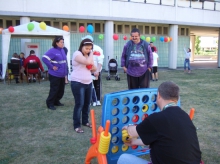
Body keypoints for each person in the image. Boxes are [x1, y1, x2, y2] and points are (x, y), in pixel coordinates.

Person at [117, 81, 202, 164]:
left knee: (123, 158)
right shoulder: (185, 116)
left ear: (159, 96)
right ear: (177, 98)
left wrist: (127, 128)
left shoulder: (157, 119)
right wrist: (134, 142)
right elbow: (162, 139)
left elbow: (132, 132)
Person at [70, 38, 96, 133]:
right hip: (78, 82)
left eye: (90, 49)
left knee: (86, 104)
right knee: (79, 104)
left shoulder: (88, 56)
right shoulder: (77, 54)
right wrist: (92, 53)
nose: (88, 50)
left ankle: (85, 121)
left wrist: (93, 66)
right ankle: (76, 125)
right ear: (82, 46)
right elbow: (88, 62)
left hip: (88, 82)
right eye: (87, 48)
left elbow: (93, 68)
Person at [42, 36, 67, 110]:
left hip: (62, 75)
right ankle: (50, 103)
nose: (63, 43)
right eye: (61, 42)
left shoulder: (62, 50)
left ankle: (56, 101)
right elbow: (44, 58)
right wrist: (51, 66)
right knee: (54, 90)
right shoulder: (52, 51)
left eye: (63, 42)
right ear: (56, 43)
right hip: (55, 74)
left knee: (61, 90)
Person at [81, 35, 104, 106]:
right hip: (87, 71)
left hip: (96, 70)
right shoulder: (83, 49)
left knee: (97, 85)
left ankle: (98, 100)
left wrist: (97, 71)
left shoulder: (97, 49)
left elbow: (100, 61)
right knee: (89, 86)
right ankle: (91, 100)